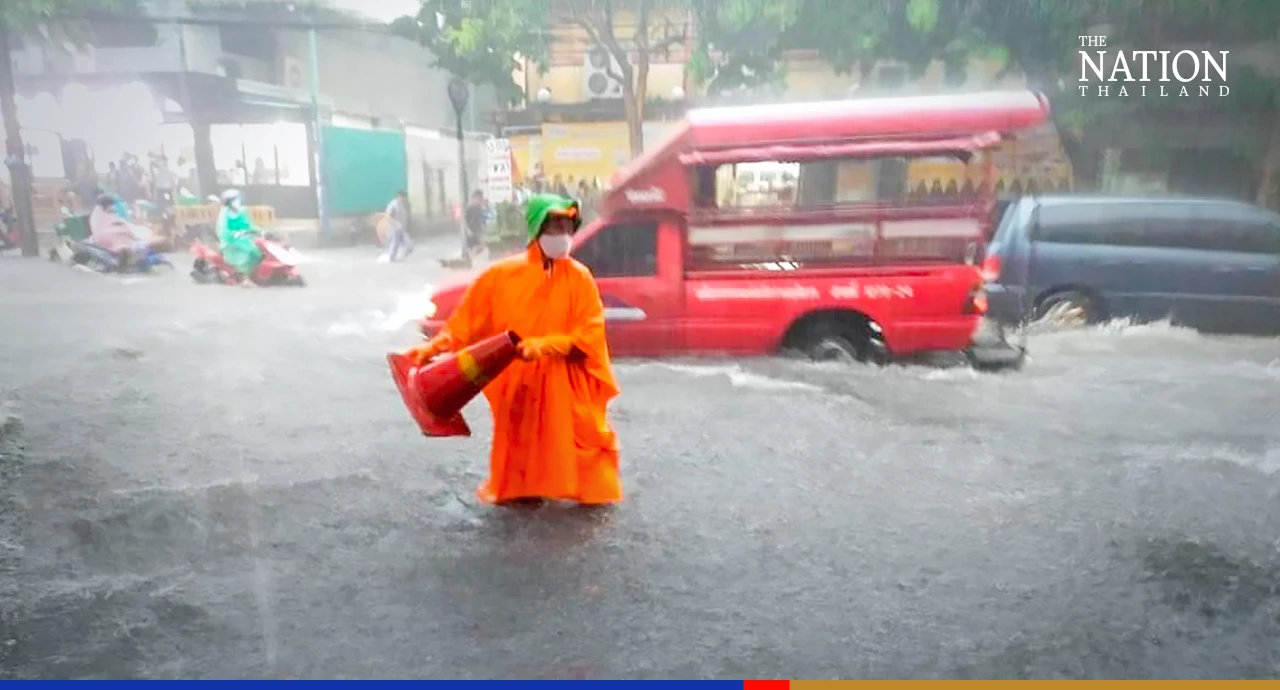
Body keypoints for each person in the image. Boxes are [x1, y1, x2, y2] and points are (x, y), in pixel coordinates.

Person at [405, 193, 622, 506]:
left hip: (566, 385)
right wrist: (437, 347)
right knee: (521, 457)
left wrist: (547, 345)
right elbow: (468, 322)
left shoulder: (580, 278)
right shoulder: (501, 277)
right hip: (519, 385)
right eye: (555, 226)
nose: (562, 235)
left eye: (567, 226)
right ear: (536, 230)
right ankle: (523, 505)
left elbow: (589, 332)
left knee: (585, 449)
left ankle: (587, 506)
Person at [88, 194, 163, 269]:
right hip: (112, 237)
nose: (113, 208)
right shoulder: (108, 216)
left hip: (102, 238)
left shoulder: (98, 215)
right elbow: (125, 227)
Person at [217, 189, 262, 286]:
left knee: (259, 251)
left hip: (245, 239)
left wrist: (259, 231)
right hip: (230, 243)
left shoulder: (242, 211)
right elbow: (222, 231)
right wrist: (234, 234)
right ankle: (245, 278)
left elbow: (250, 225)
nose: (238, 201)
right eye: (235, 199)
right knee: (246, 253)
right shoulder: (224, 213)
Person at [382, 189, 414, 262]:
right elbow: (387, 216)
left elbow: (407, 216)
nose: (403, 199)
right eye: (402, 197)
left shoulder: (404, 204)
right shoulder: (393, 205)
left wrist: (409, 224)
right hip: (394, 229)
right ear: (398, 197)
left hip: (402, 229)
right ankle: (391, 259)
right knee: (394, 245)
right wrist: (395, 223)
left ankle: (401, 257)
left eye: (404, 198)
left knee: (410, 246)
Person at [464, 190, 487, 257]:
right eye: (479, 198)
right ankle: (472, 256)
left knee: (480, 246)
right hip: (472, 230)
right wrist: (467, 229)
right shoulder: (471, 207)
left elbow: (482, 219)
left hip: (477, 230)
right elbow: (465, 219)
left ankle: (473, 256)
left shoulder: (479, 207)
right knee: (475, 246)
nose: (481, 199)